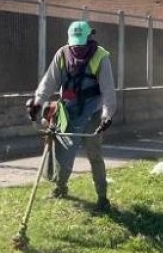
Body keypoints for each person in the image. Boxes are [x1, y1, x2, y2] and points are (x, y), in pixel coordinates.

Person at [27, 21, 117, 212]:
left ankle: (102, 198)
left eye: (81, 42)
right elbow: (48, 83)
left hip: (93, 113)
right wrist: (37, 103)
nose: (77, 47)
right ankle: (60, 188)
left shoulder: (101, 57)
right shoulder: (62, 54)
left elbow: (108, 91)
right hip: (68, 113)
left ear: (89, 37)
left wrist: (107, 116)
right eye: (74, 42)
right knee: (63, 154)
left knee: (94, 155)